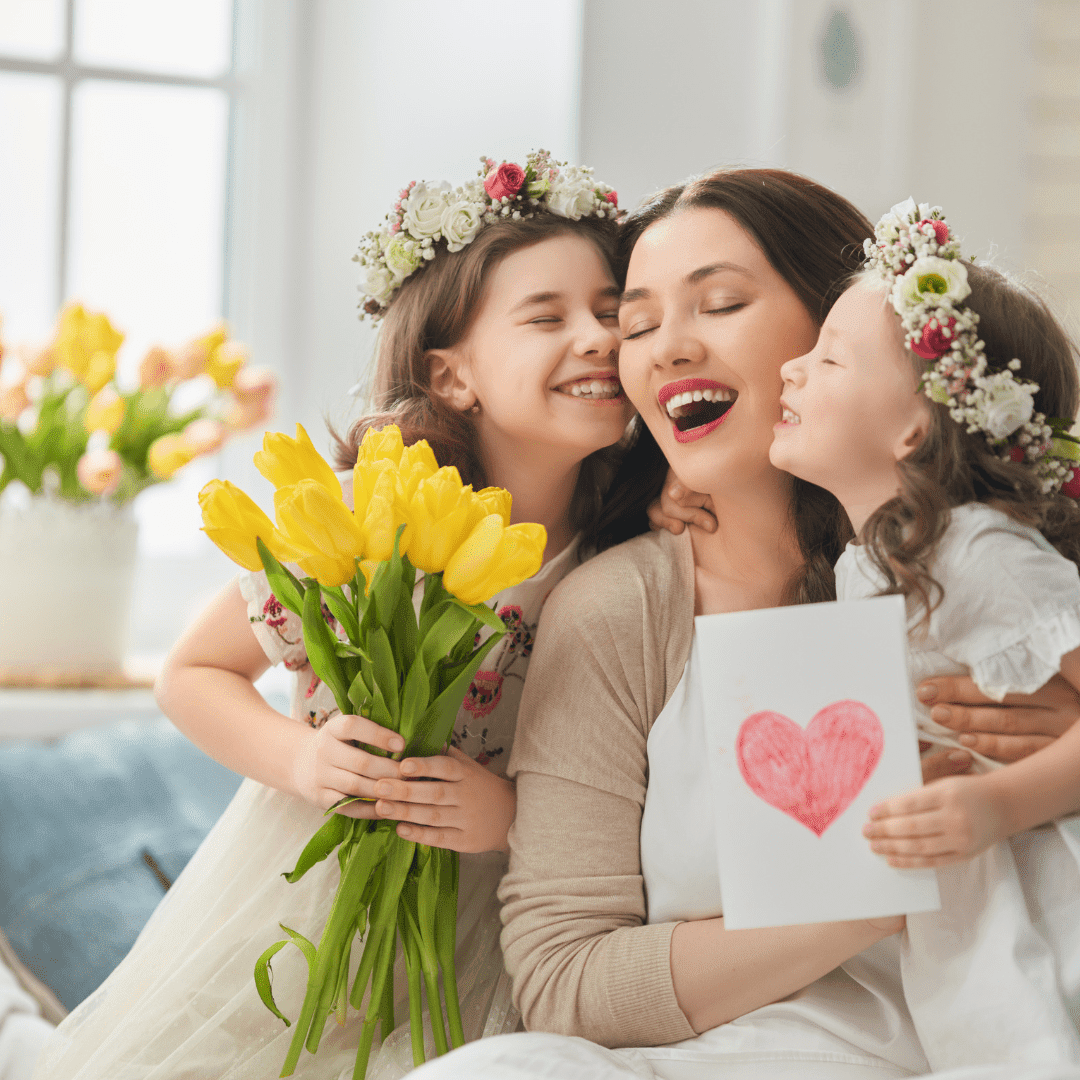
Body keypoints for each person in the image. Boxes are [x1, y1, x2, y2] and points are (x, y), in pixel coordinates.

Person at [405, 170, 1080, 1080]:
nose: (665, 348)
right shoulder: (620, 609)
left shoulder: (975, 564)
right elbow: (564, 978)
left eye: (720, 303)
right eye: (636, 326)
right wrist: (864, 894)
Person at [31, 151, 639, 1080]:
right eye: (547, 316)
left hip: (487, 936)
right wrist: (307, 759)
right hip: (303, 903)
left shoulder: (625, 558)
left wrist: (514, 817)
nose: (597, 337)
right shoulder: (367, 513)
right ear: (453, 375)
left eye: (611, 311)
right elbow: (190, 673)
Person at [770, 199, 1080, 1070]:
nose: (790, 369)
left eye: (829, 357)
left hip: (1044, 888)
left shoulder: (977, 551)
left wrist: (1000, 803)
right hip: (964, 901)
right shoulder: (865, 565)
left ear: (915, 426)